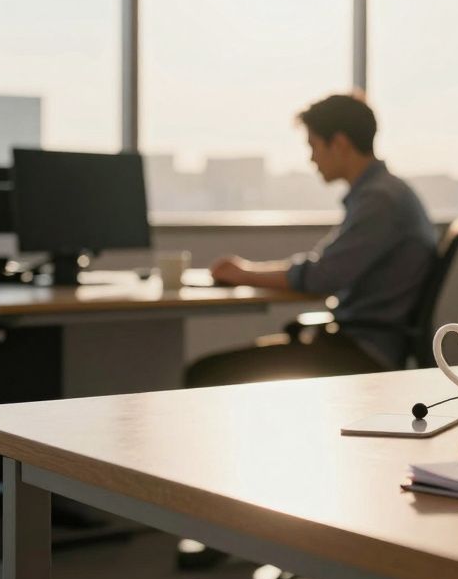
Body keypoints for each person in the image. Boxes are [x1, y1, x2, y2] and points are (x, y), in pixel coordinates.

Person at [188, 93, 438, 385]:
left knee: (204, 374)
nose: (311, 158)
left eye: (314, 146)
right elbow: (324, 269)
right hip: (356, 342)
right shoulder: (383, 194)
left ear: (340, 144)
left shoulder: (379, 201)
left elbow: (322, 276)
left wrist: (243, 272)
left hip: (364, 352)